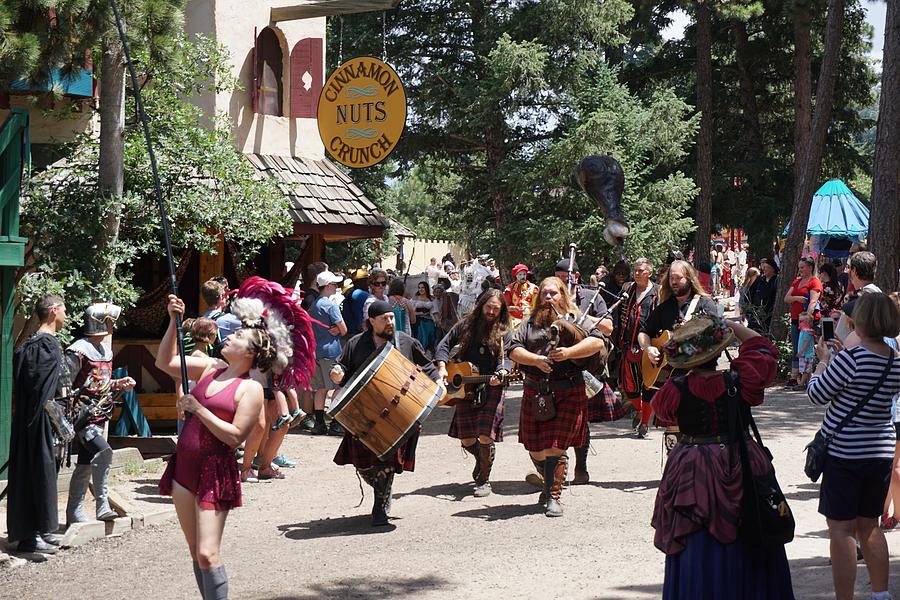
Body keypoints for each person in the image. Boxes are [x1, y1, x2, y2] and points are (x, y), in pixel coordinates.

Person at [651, 305, 793, 598]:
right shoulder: (741, 380)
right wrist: (727, 324)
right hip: (738, 458)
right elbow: (762, 348)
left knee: (695, 534)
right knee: (748, 521)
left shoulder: (674, 389)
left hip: (691, 465)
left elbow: (662, 414)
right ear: (719, 350)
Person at [156, 295, 274, 600]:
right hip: (183, 469)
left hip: (214, 472)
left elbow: (235, 437)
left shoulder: (251, 389)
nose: (229, 335)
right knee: (196, 553)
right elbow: (165, 362)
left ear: (250, 352)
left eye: (237, 335)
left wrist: (199, 408)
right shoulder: (209, 367)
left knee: (209, 553)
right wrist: (172, 321)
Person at [807, 292, 900, 600]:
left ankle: (845, 596)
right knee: (870, 525)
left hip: (845, 450)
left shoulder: (851, 358)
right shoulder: (895, 360)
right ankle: (881, 593)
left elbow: (817, 395)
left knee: (842, 530)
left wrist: (822, 364)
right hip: (879, 450)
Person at [329, 301, 439, 526]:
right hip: (363, 415)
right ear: (371, 321)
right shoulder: (356, 343)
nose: (390, 322)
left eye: (391, 318)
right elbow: (341, 369)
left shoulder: (405, 341)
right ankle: (383, 491)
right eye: (384, 319)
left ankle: (379, 505)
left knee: (386, 460)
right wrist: (336, 374)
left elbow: (428, 367)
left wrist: (439, 382)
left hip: (398, 412)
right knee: (363, 465)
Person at [508, 277, 606, 517]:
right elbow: (513, 348)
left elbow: (597, 342)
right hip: (536, 390)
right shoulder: (529, 323)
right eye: (544, 294)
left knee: (556, 447)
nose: (549, 297)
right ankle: (548, 479)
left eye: (554, 293)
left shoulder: (577, 319)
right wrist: (536, 360)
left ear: (563, 295)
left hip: (568, 389)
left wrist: (569, 352)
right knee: (535, 449)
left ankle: (553, 496)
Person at [435, 289, 512, 497]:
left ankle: (484, 480)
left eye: (496, 309)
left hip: (491, 385)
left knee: (485, 435)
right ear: (480, 305)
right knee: (467, 439)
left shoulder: (504, 331)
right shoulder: (465, 325)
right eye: (488, 307)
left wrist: (502, 372)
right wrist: (442, 368)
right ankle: (482, 458)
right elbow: (443, 346)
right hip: (465, 386)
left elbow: (507, 357)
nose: (491, 312)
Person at [7, 295, 69, 554]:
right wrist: (57, 423)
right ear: (54, 311)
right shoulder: (44, 345)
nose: (66, 315)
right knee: (36, 474)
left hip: (36, 421)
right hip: (39, 421)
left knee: (40, 474)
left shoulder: (36, 343)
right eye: (64, 310)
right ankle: (31, 536)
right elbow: (41, 392)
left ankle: (38, 532)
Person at [65, 303, 137, 526]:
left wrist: (118, 384)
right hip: (82, 415)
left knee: (86, 462)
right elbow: (65, 384)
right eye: (109, 321)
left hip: (101, 412)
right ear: (100, 322)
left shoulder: (106, 350)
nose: (112, 325)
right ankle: (102, 504)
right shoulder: (78, 350)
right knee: (103, 452)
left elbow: (101, 383)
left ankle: (73, 512)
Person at [638, 261, 718, 440]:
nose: (673, 282)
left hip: (699, 378)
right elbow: (644, 332)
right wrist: (648, 348)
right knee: (673, 437)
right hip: (672, 379)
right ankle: (675, 465)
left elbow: (718, 339)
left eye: (678, 278)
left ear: (689, 278)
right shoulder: (665, 308)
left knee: (699, 434)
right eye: (671, 278)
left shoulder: (705, 305)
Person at [617, 258, 659, 439]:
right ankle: (640, 410)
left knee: (649, 385)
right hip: (628, 345)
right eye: (635, 270)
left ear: (649, 272)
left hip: (650, 346)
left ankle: (644, 422)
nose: (636, 273)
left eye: (641, 270)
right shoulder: (628, 289)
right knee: (630, 386)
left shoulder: (658, 291)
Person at [307, 270, 348, 436]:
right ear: (329, 286)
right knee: (338, 385)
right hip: (331, 351)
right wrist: (338, 331)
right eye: (335, 284)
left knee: (320, 389)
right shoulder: (331, 306)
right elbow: (343, 329)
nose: (337, 287)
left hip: (317, 351)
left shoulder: (314, 305)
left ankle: (319, 423)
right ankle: (336, 423)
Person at [783, 256, 822, 389]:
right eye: (799, 267)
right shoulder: (797, 281)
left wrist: (808, 318)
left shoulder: (815, 282)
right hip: (796, 320)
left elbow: (813, 301)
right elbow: (786, 298)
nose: (800, 270)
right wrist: (797, 298)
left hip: (808, 322)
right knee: (797, 348)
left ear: (810, 268)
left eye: (802, 267)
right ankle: (794, 377)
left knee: (808, 349)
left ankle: (809, 378)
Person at [836, 251, 881, 342]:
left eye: (849, 267)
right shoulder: (877, 294)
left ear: (854, 271)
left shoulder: (861, 297)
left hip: (855, 350)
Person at [746, 258, 779, 334]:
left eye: (766, 267)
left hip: (769, 313)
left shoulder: (776, 280)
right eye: (763, 267)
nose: (764, 269)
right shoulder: (760, 279)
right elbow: (750, 293)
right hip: (756, 313)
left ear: (772, 268)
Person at [341, 269, 370, 337]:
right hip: (358, 334)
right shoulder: (361, 294)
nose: (368, 282)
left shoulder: (351, 294)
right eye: (366, 279)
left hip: (351, 333)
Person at [413, 281, 437, 352]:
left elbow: (434, 311)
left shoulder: (431, 298)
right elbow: (411, 311)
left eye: (422, 287)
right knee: (422, 337)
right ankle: (421, 352)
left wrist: (437, 320)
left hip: (429, 320)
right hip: (419, 321)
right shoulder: (415, 298)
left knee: (431, 333)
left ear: (426, 288)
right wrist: (419, 313)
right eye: (419, 288)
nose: (421, 289)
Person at [796, 314, 816, 387]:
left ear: (808, 323)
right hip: (804, 354)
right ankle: (810, 384)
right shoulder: (802, 331)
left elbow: (806, 343)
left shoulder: (807, 332)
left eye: (802, 321)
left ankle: (801, 384)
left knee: (805, 370)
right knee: (808, 371)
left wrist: (800, 352)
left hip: (807, 354)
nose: (800, 323)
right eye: (799, 321)